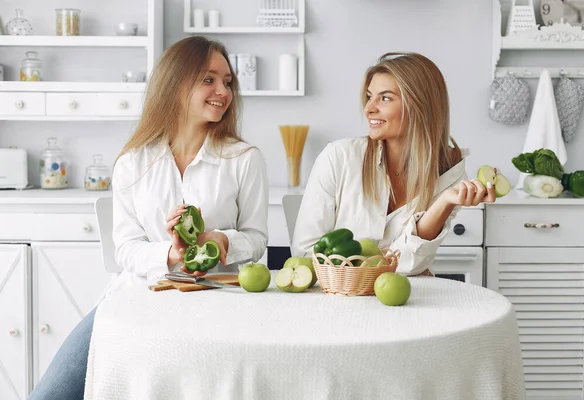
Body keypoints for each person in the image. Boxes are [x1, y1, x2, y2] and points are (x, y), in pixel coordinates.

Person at [28, 36, 268, 400]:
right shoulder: (133, 163)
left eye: (228, 81)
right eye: (209, 79)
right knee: (51, 394)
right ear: (175, 83)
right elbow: (125, 248)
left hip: (216, 301)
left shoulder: (244, 159)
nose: (223, 91)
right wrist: (169, 255)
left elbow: (256, 238)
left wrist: (221, 240)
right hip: (135, 296)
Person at [291, 52, 495, 276]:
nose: (369, 108)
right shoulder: (339, 157)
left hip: (403, 301)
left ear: (420, 105)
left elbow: (411, 263)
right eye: (370, 96)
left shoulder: (451, 175)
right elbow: (305, 254)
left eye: (385, 98)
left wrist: (444, 202)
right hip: (339, 299)